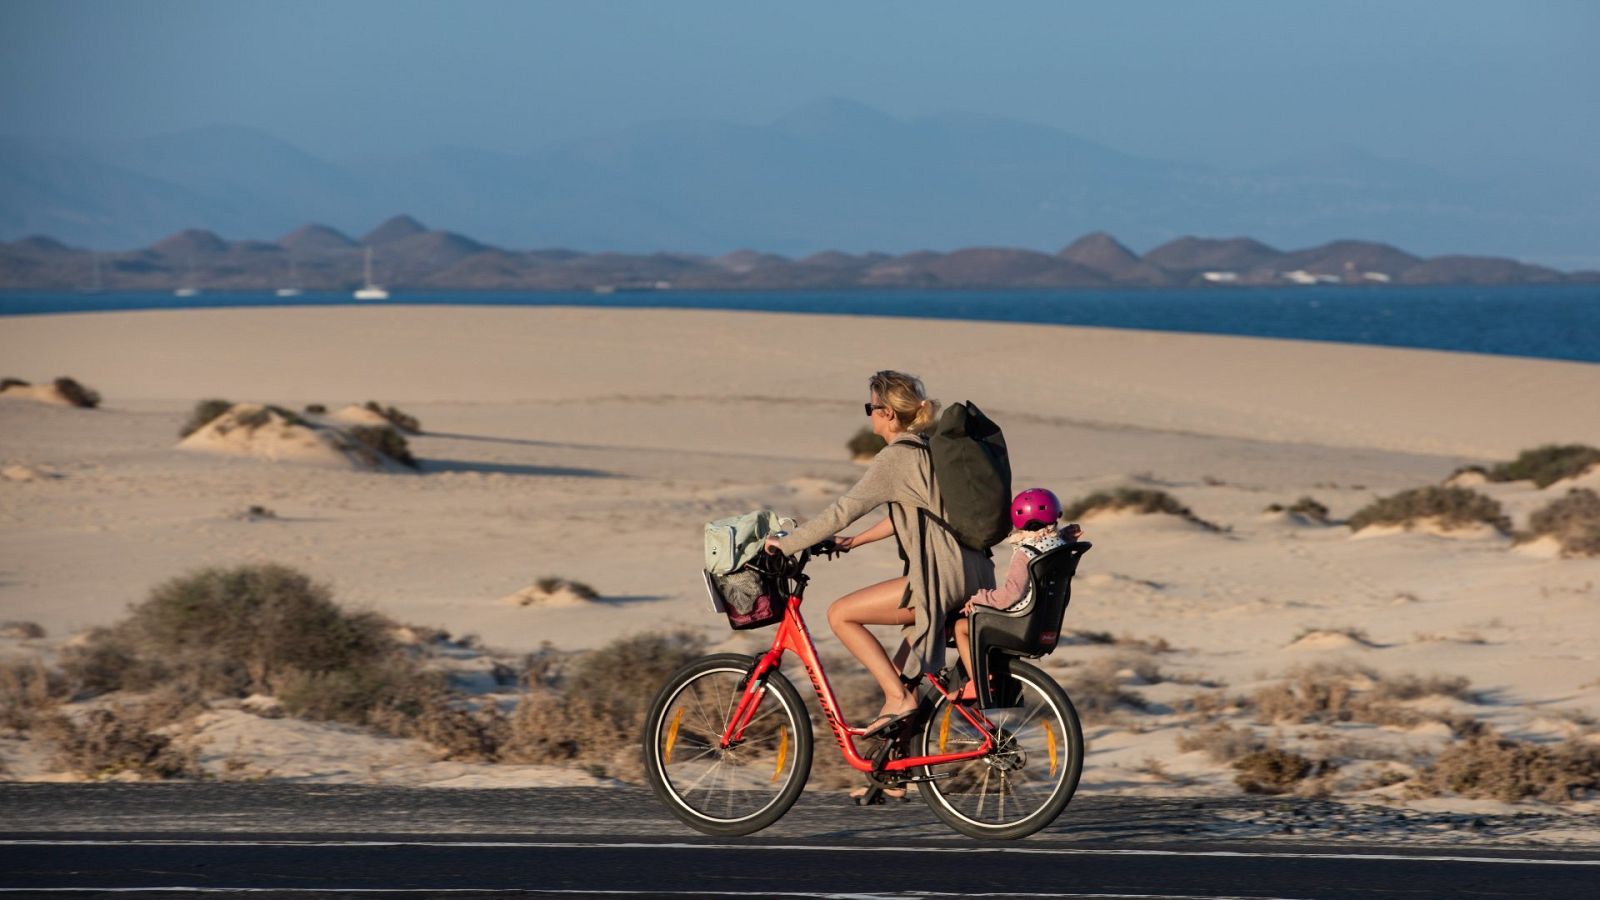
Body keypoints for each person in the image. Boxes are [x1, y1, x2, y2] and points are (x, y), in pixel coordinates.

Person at [763, 370, 995, 739]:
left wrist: (785, 544)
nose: (869, 414)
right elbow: (914, 511)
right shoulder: (929, 448)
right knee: (905, 674)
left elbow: (843, 509)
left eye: (870, 407)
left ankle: (898, 699)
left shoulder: (895, 458)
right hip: (975, 571)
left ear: (887, 412)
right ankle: (890, 778)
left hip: (941, 575)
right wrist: (856, 541)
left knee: (841, 614)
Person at [950, 488, 1082, 702]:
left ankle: (977, 681)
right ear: (1055, 514)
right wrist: (1067, 535)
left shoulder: (1025, 553)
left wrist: (979, 597)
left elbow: (1008, 597)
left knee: (960, 627)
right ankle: (994, 679)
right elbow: (1059, 540)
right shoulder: (1058, 547)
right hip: (1043, 625)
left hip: (1018, 624)